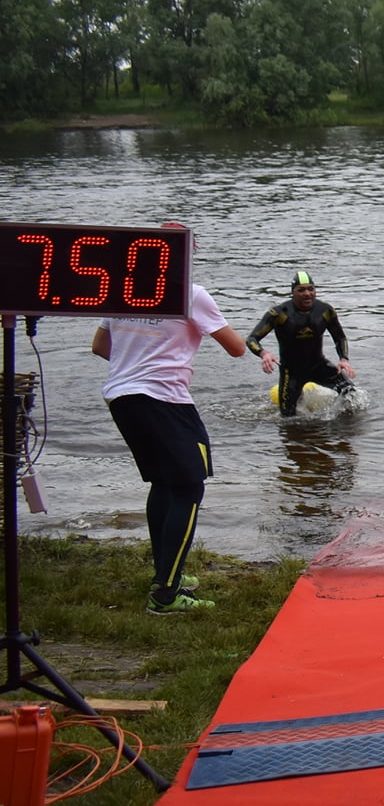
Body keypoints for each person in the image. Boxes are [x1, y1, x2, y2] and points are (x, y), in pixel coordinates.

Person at [89, 223, 248, 614]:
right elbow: (236, 348)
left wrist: (136, 363)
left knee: (163, 484)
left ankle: (166, 572)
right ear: (184, 254)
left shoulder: (123, 290)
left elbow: (99, 346)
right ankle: (165, 594)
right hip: (165, 400)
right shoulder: (191, 294)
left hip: (122, 398)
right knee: (190, 486)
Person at [246, 271, 358, 417]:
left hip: (319, 365)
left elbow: (340, 338)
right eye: (301, 290)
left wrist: (344, 359)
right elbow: (252, 339)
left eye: (310, 289)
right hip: (291, 372)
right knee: (287, 418)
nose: (307, 293)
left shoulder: (325, 311)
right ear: (293, 292)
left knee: (351, 395)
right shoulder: (279, 314)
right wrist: (264, 353)